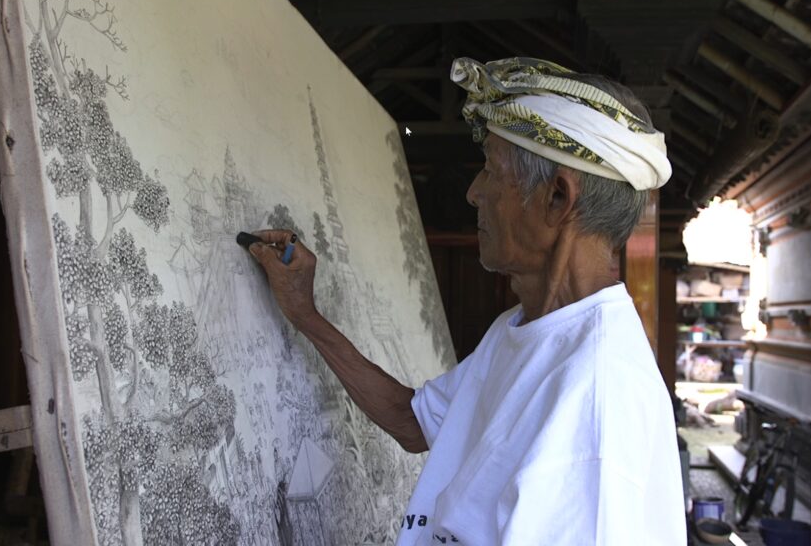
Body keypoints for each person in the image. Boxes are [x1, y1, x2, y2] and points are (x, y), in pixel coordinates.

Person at [248, 57, 684, 545]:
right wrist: (305, 315)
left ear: (558, 199)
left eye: (491, 171)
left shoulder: (599, 396)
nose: (475, 193)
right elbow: (413, 421)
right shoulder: (519, 329)